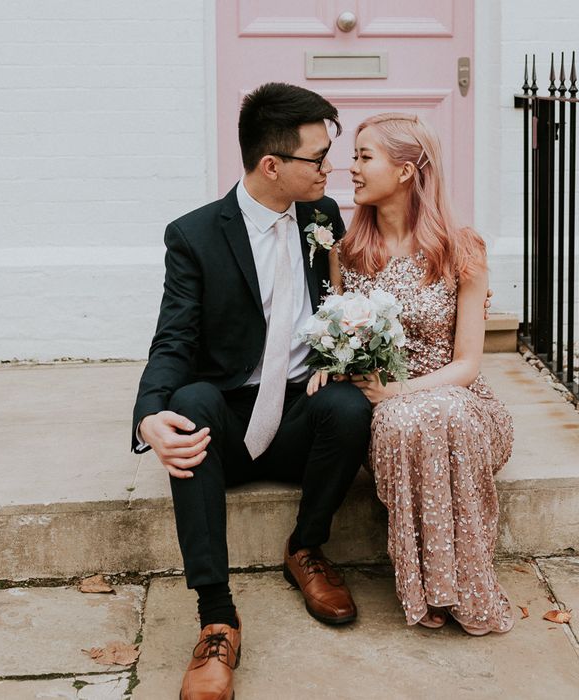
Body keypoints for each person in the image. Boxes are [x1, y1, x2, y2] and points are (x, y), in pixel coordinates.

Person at [132, 82, 373, 699]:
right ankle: (216, 616)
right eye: (318, 158)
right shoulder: (194, 236)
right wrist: (147, 416)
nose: (331, 168)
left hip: (296, 415)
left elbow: (335, 306)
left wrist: (335, 355)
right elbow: (173, 338)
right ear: (272, 165)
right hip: (229, 421)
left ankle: (307, 547)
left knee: (348, 405)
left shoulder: (323, 218)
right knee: (188, 405)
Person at [309, 113, 515, 635]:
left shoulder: (460, 248)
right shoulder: (348, 252)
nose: (350, 168)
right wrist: (329, 367)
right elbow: (343, 341)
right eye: (353, 156)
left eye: (364, 156)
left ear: (405, 171)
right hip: (388, 409)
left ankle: (466, 587)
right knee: (403, 424)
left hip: (456, 399)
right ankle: (429, 591)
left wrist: (399, 390)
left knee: (434, 412)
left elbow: (468, 366)